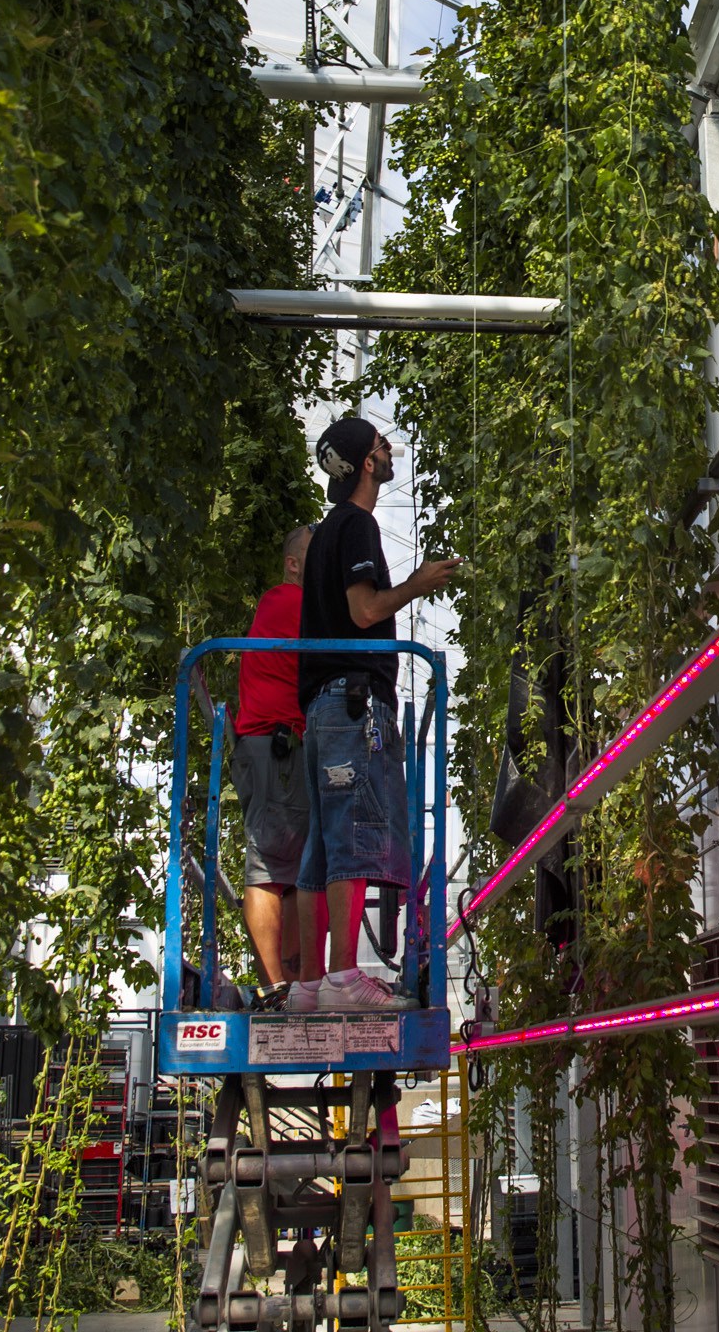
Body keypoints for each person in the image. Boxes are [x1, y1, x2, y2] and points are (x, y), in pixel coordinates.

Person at [294, 415, 457, 1011]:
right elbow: (364, 612)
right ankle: (342, 979)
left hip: (321, 705)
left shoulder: (324, 533)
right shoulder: (357, 528)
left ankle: (310, 986)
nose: (389, 454)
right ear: (366, 461)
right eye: (383, 447)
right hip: (351, 699)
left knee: (321, 847)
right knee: (354, 834)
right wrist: (418, 582)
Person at [231, 526, 317, 1003]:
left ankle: (288, 985)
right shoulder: (289, 600)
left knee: (289, 868)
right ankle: (279, 986)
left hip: (273, 745)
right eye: (313, 553)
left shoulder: (280, 607)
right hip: (277, 745)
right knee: (270, 867)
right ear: (292, 563)